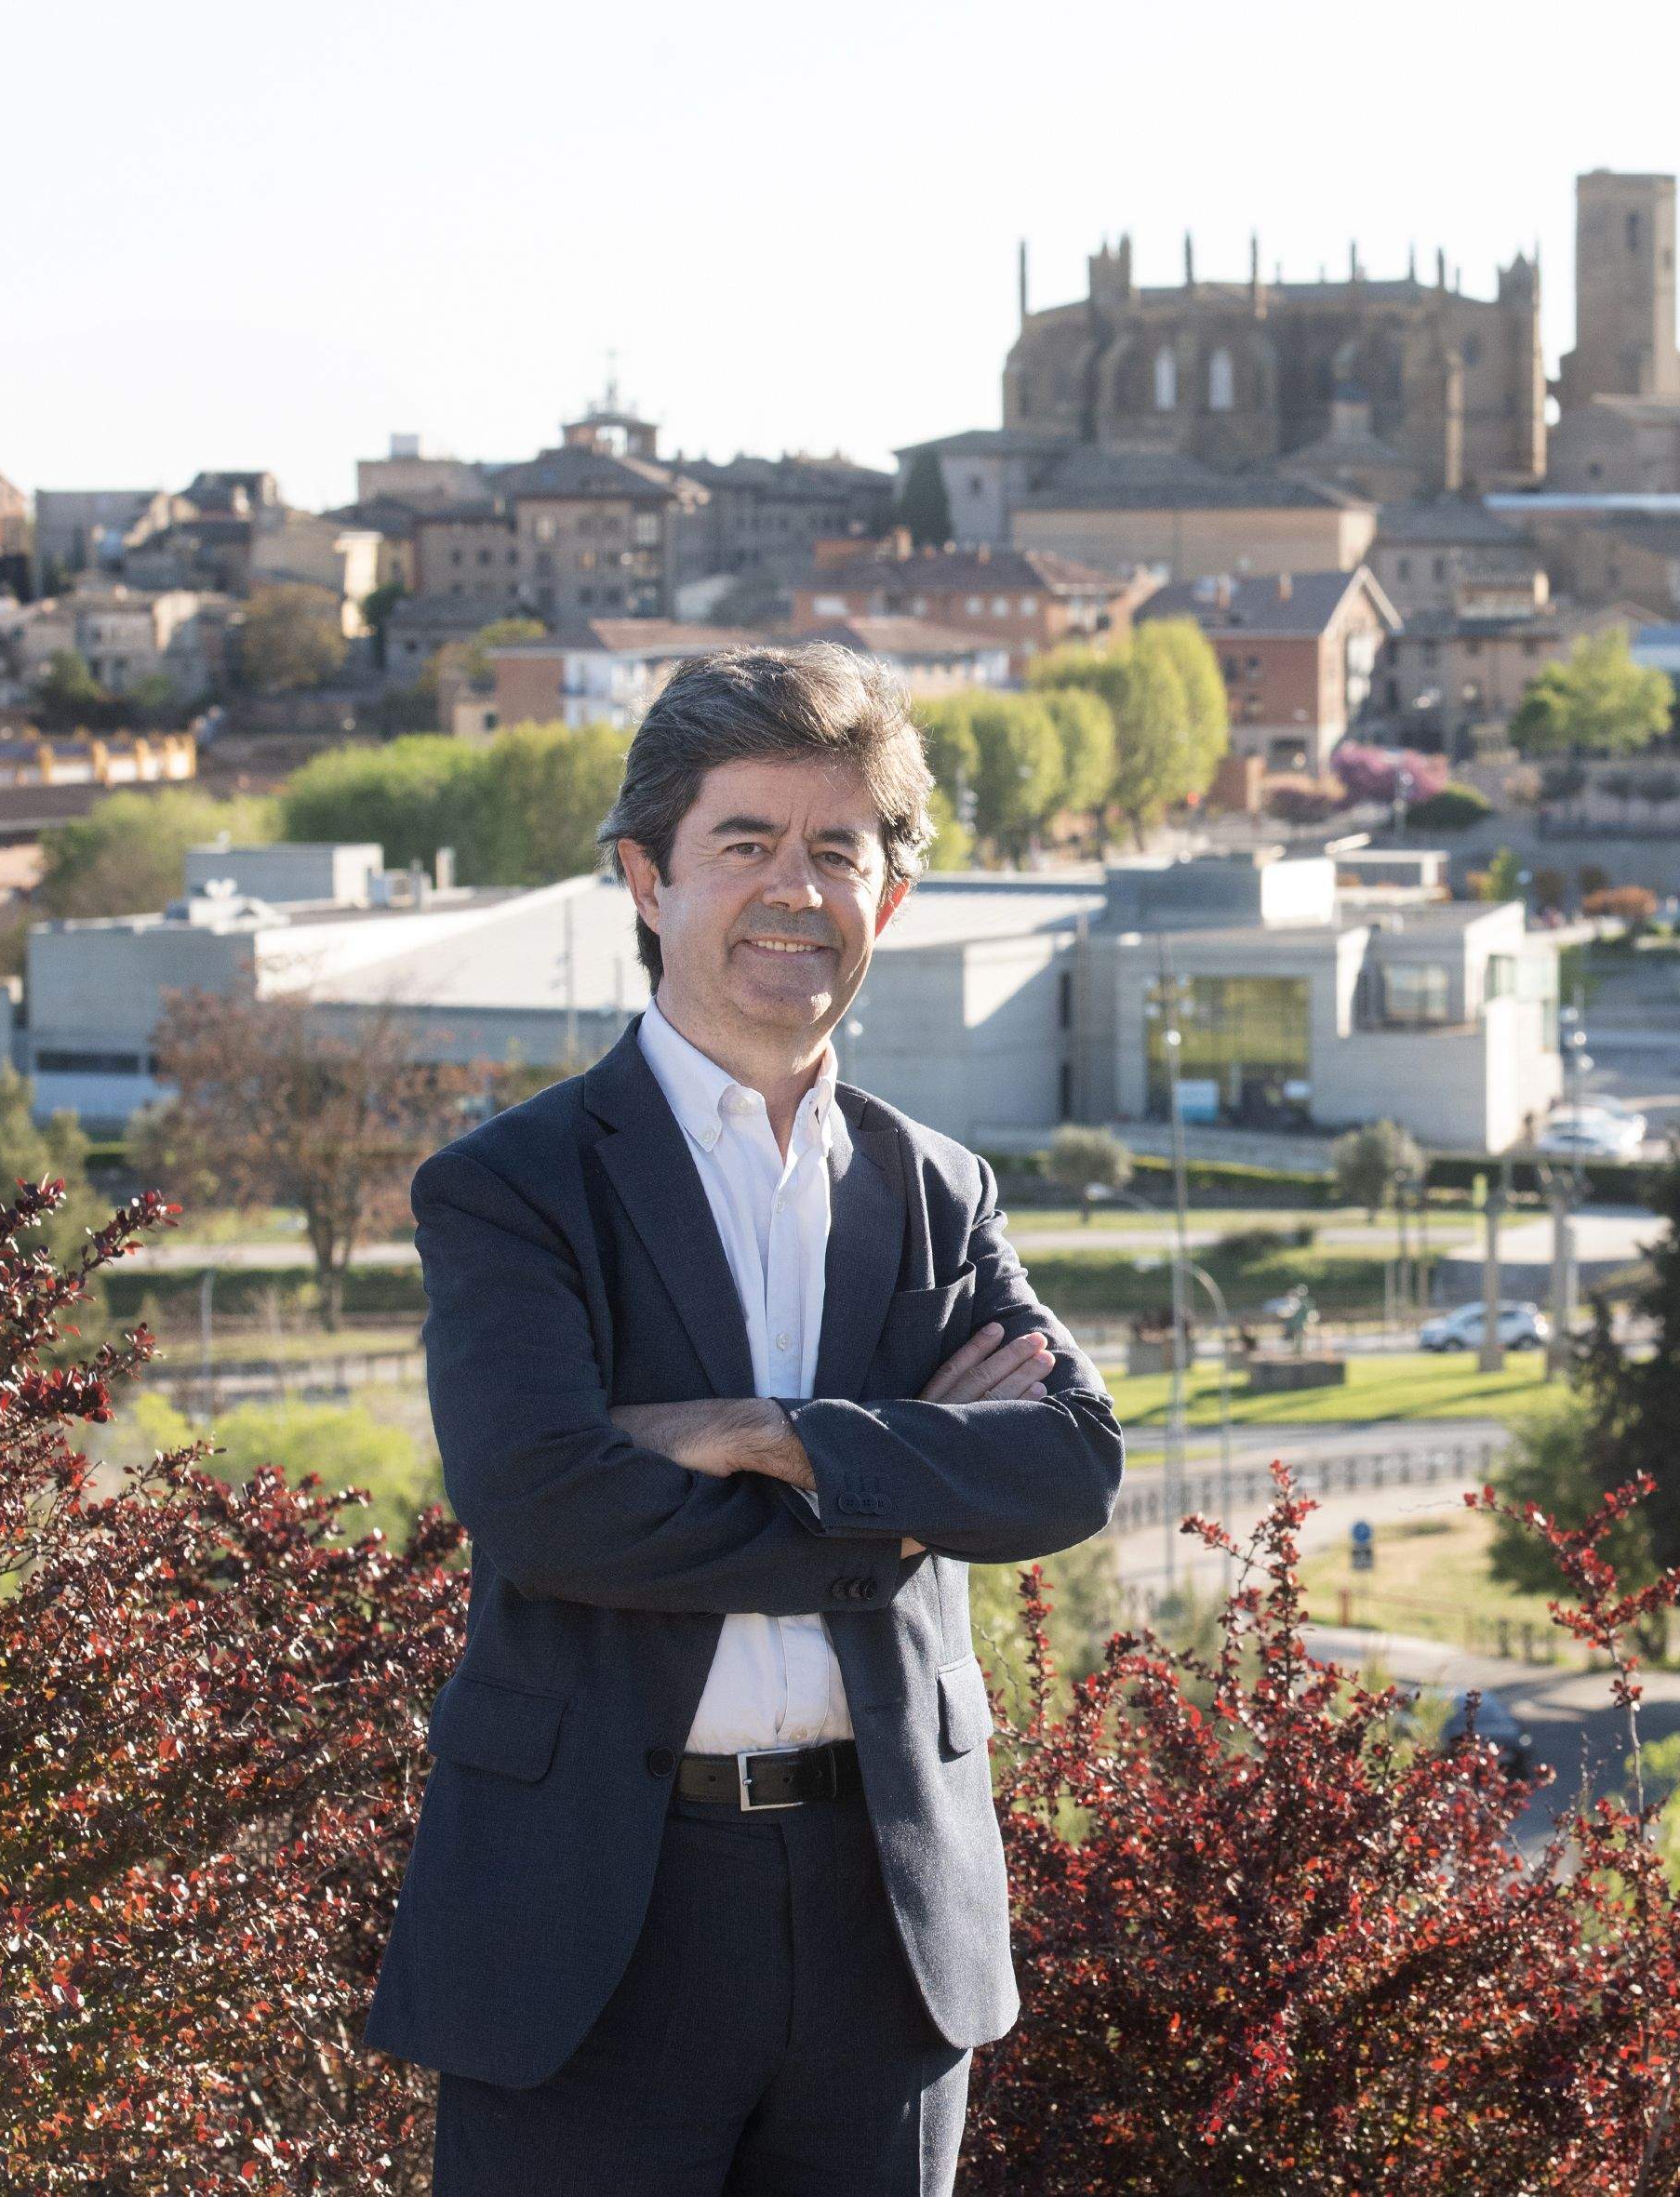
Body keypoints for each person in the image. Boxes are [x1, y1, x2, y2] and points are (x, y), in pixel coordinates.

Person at [365, 646, 1123, 2194]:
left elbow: (1067, 1465)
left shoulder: (938, 1189)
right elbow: (546, 1504)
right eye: (746, 843)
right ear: (647, 878)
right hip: (591, 1918)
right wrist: (903, 1489)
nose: (797, 889)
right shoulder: (513, 1188)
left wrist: (774, 1434)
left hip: (883, 1914)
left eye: (838, 851)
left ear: (889, 899)